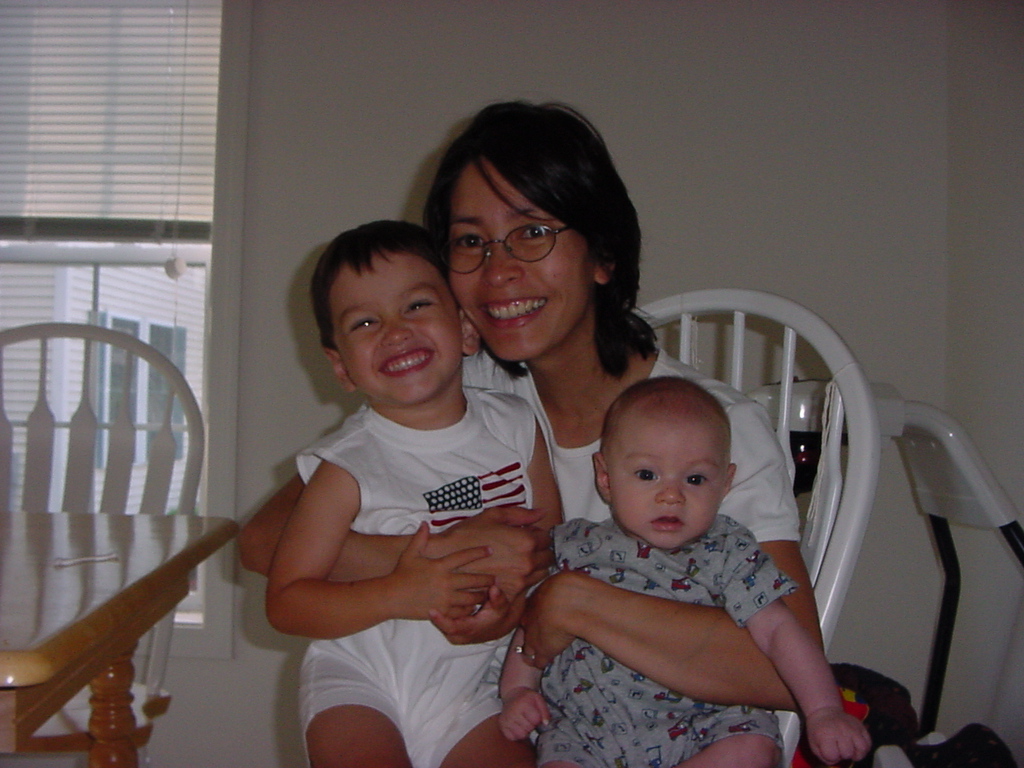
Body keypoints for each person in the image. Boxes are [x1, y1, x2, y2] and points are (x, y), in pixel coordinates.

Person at [241, 100, 818, 729]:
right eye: (470, 242)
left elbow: (783, 673)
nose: (499, 270)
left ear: (602, 254)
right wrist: (452, 559)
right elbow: (264, 539)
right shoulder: (463, 395)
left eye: (533, 232)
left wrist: (570, 601)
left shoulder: (713, 428)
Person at [264, 220, 562, 768]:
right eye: (365, 322)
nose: (395, 331)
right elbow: (286, 603)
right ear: (341, 367)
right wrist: (398, 593)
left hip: (475, 688)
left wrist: (511, 614)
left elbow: (547, 552)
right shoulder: (344, 466)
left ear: (466, 329)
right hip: (360, 681)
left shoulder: (517, 426)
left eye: (417, 305)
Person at [498, 377, 871, 768]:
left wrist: (824, 710)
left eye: (695, 479)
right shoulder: (575, 546)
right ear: (605, 477)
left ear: (725, 484)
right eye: (647, 474)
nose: (671, 495)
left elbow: (780, 630)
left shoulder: (728, 552)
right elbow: (534, 625)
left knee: (752, 746)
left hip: (703, 724)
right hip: (588, 732)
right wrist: (517, 691)